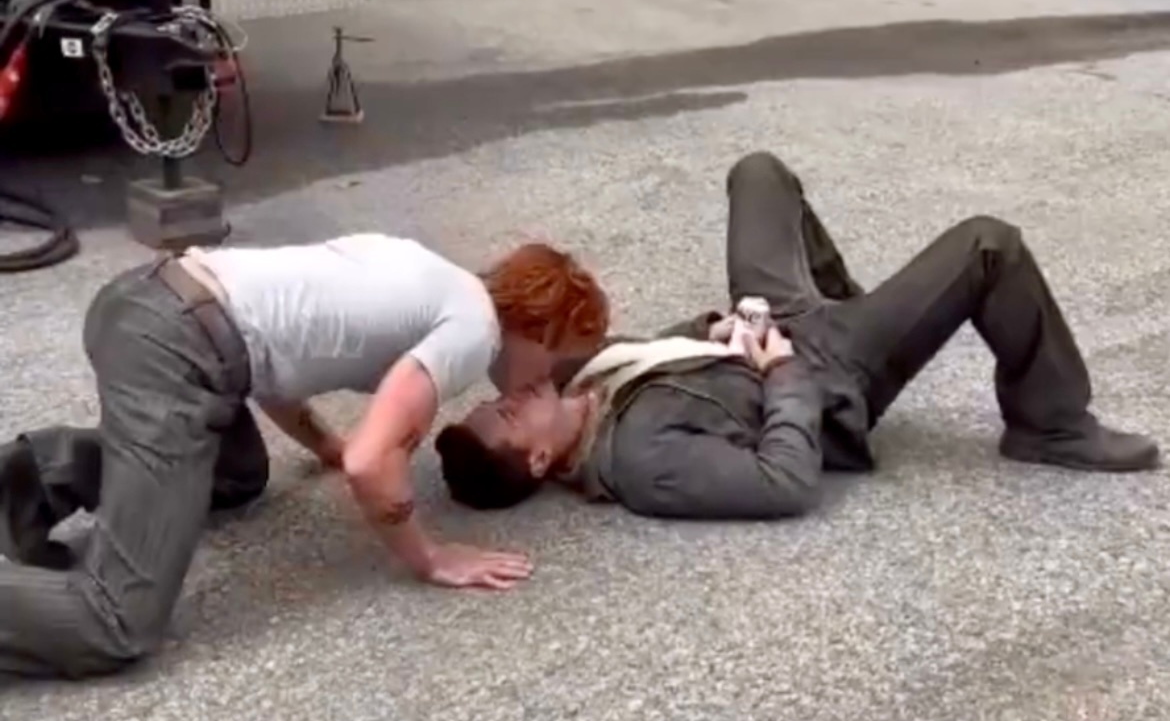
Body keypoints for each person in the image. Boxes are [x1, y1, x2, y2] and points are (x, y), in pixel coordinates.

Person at [0, 233, 609, 678]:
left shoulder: (432, 272)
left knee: (239, 475)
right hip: (174, 350)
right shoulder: (474, 332)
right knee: (119, 620)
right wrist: (430, 558)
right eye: (557, 361)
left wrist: (326, 445)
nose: (547, 380)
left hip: (150, 299)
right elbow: (372, 463)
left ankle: (22, 484)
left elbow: (274, 353)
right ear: (542, 329)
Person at [435, 151, 1160, 519]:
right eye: (508, 415)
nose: (512, 396)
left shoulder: (573, 383)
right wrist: (781, 371)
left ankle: (856, 301)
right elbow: (782, 481)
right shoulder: (641, 461)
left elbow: (635, 346)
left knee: (758, 173)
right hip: (827, 367)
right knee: (988, 244)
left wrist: (714, 328)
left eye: (498, 400)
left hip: (771, 322)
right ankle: (1051, 424)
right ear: (539, 459)